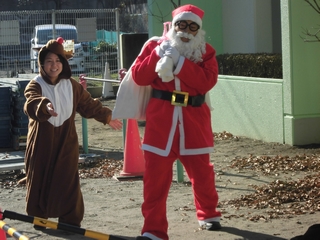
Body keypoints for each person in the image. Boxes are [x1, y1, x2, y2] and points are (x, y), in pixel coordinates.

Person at [130, 4, 222, 240]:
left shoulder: (205, 51)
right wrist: (158, 54)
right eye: (182, 25)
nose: (186, 31)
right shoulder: (154, 46)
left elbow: (206, 82)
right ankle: (153, 230)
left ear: (198, 30)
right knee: (154, 182)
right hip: (161, 123)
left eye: (192, 27)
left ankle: (208, 214)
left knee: (202, 174)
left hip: (194, 121)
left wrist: (179, 63)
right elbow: (140, 76)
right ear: (174, 25)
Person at [23, 37, 122, 229]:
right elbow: (31, 103)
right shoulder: (35, 84)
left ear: (64, 63)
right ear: (42, 64)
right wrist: (45, 105)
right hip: (41, 144)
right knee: (39, 180)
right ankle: (39, 219)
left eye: (58, 61)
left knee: (68, 181)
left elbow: (88, 104)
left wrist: (107, 116)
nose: (54, 65)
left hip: (66, 143)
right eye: (49, 61)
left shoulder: (72, 85)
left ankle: (70, 222)